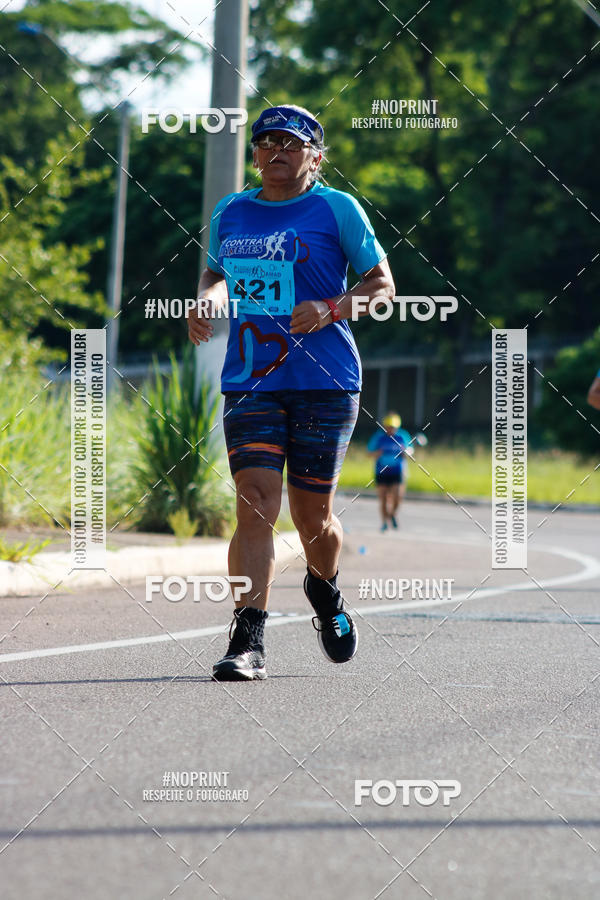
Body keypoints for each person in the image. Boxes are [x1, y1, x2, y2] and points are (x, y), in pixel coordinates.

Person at [187, 103, 395, 680]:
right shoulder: (231, 211)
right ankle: (247, 639)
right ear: (254, 154)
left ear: (315, 156)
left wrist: (330, 308)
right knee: (255, 501)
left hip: (324, 383)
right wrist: (208, 297)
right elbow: (214, 271)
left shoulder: (336, 208)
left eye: (290, 143)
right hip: (251, 380)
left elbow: (382, 286)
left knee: (313, 519)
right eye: (265, 143)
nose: (275, 152)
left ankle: (324, 590)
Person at [367, 413, 414, 530]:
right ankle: (384, 523)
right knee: (383, 499)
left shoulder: (402, 436)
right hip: (381, 471)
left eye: (393, 427)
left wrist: (406, 452)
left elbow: (410, 450)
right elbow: (369, 452)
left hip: (397, 471)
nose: (391, 429)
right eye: (388, 426)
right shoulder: (379, 437)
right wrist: (376, 453)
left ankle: (392, 514)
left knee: (397, 497)